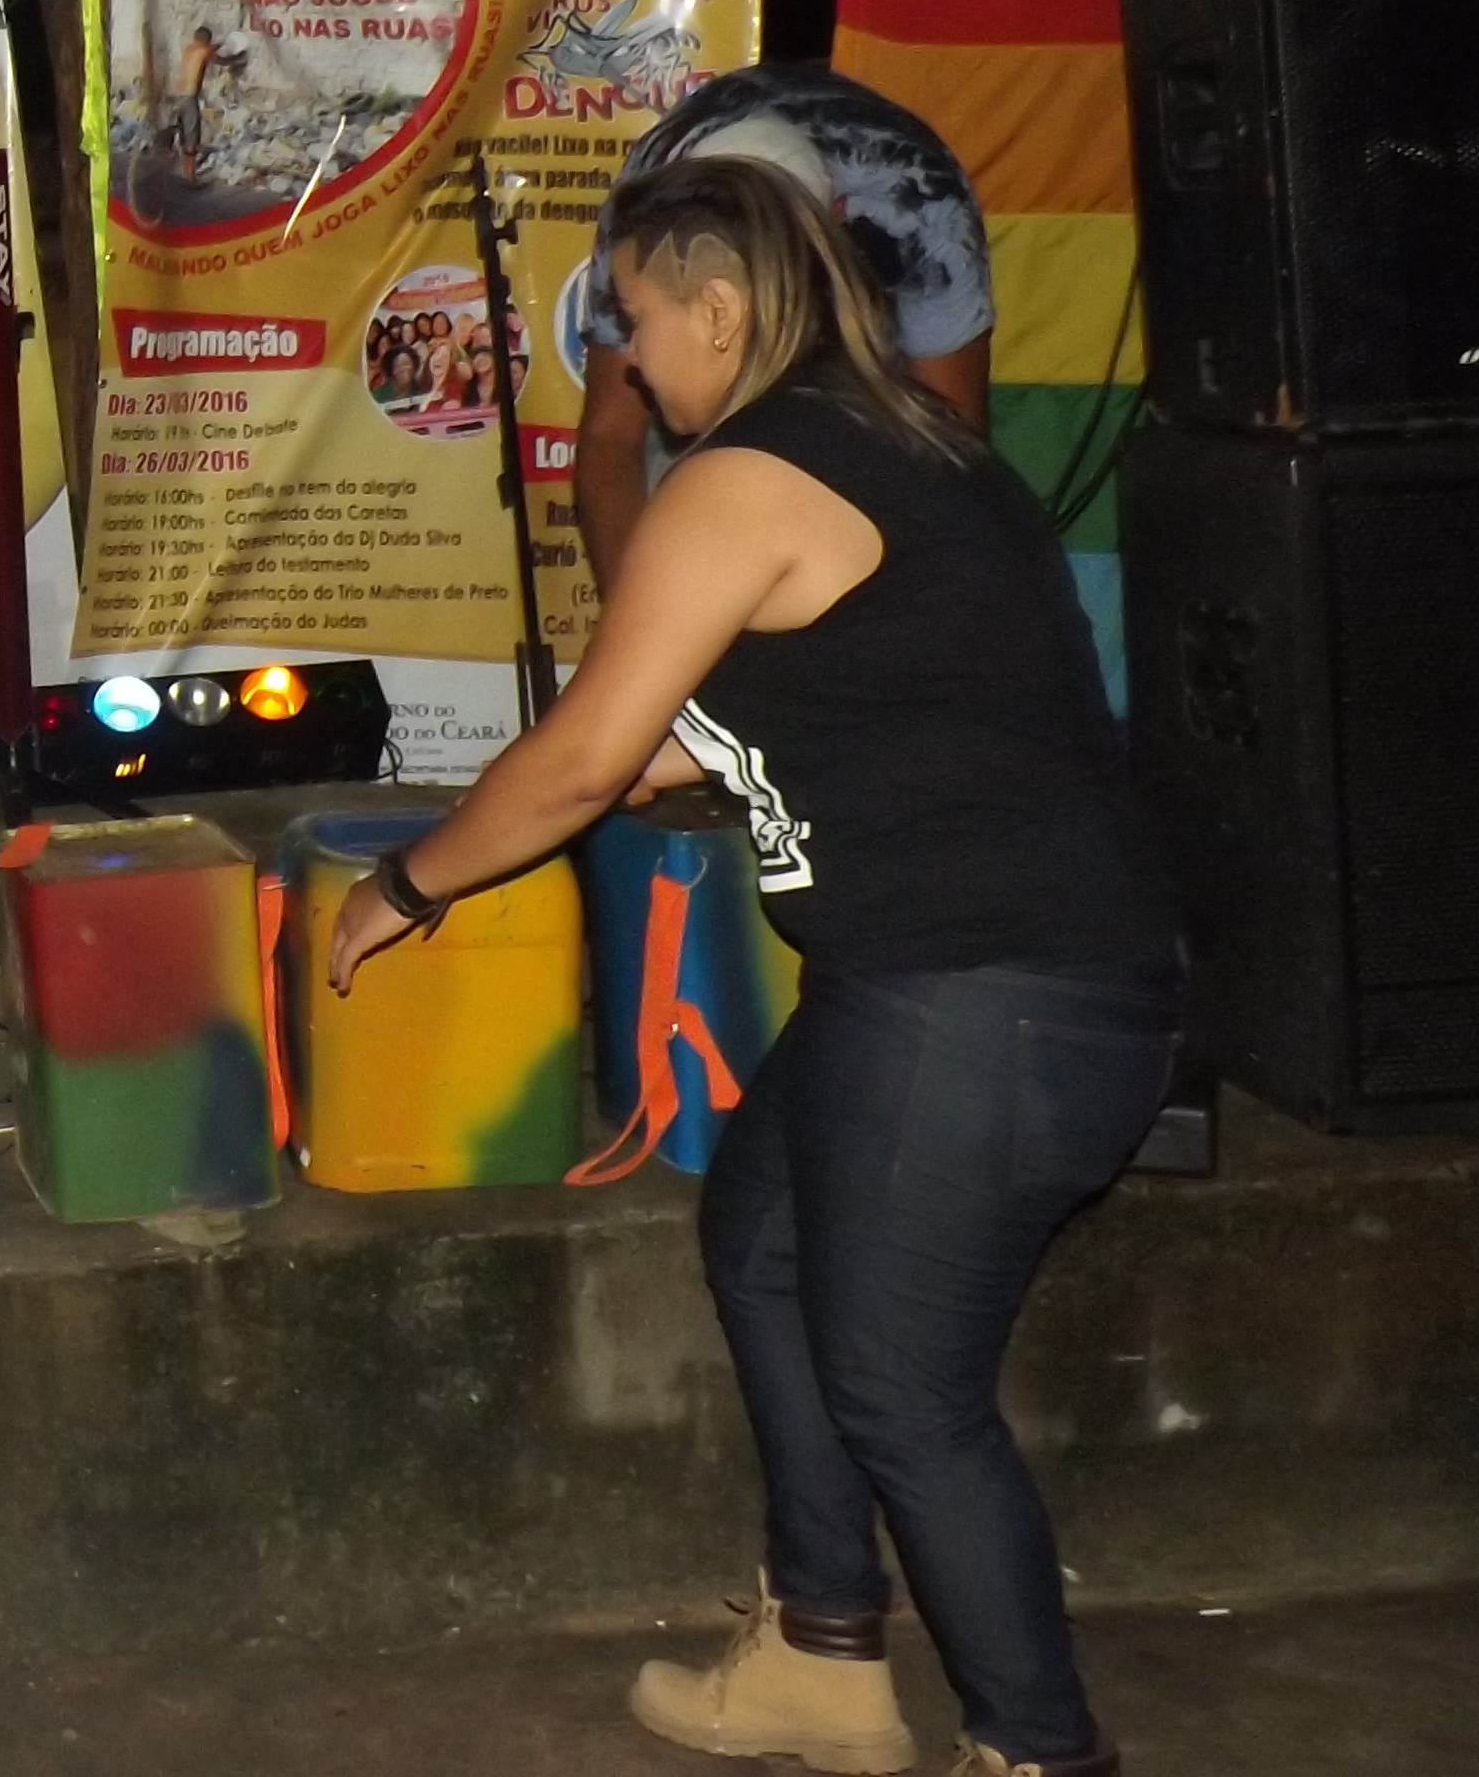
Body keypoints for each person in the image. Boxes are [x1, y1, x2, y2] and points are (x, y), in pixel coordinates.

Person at [323, 156, 1178, 1777]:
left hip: (981, 1002)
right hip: (967, 984)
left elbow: (587, 758)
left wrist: (408, 883)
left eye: (637, 321)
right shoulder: (904, 446)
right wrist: (535, 793)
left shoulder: (752, 477)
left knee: (903, 1395)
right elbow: (678, 746)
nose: (631, 361)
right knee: (765, 1239)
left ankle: (1039, 1751)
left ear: (717, 307)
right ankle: (820, 1654)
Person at [572, 64, 994, 588]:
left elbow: (954, 451)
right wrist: (639, 608)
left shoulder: (922, 211)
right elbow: (611, 438)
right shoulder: (647, 212)